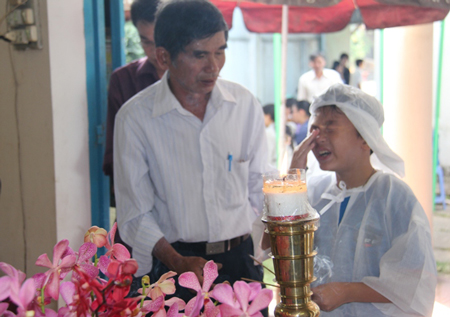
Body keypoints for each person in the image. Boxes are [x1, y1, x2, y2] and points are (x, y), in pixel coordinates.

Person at [114, 0, 268, 301]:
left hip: (240, 264)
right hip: (174, 269)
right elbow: (135, 213)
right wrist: (176, 262)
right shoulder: (135, 119)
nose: (214, 67)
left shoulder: (244, 105)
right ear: (164, 56)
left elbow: (260, 181)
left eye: (220, 51)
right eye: (200, 55)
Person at [287, 84, 437, 316]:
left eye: (330, 129)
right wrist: (292, 182)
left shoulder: (393, 196)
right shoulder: (312, 191)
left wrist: (347, 291)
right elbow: (270, 246)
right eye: (314, 130)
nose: (317, 139)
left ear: (366, 138)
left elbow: (413, 280)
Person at [103, 0, 165, 179]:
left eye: (160, 42)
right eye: (146, 42)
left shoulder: (193, 79)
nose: (154, 52)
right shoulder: (123, 80)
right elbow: (115, 150)